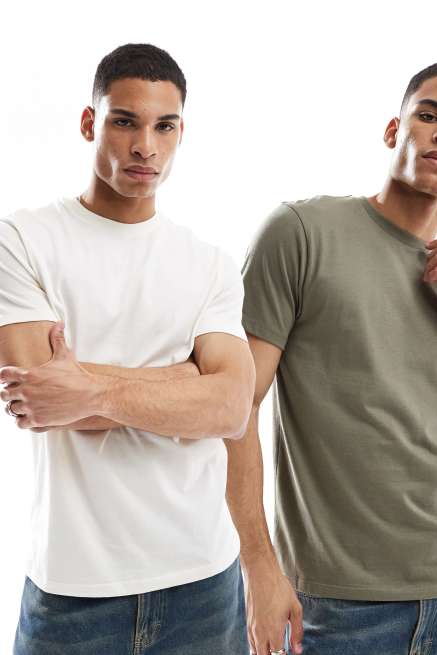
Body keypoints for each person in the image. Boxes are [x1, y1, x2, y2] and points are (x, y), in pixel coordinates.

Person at [235, 61, 437, 654]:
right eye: (430, 116)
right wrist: (257, 566)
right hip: (337, 606)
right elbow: (236, 408)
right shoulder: (301, 233)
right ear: (394, 131)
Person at [0, 42, 255, 654]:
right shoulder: (24, 240)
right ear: (90, 122)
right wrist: (187, 378)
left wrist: (90, 389)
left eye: (164, 126)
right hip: (74, 587)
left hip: (203, 580)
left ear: (180, 133)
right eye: (125, 122)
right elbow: (40, 399)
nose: (146, 146)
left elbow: (231, 408)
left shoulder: (209, 264)